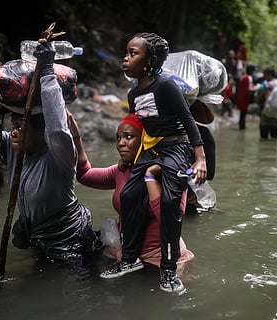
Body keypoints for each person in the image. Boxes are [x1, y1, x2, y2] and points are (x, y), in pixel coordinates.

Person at [0, 40, 103, 267]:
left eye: (21, 125)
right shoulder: (12, 148)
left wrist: (48, 72)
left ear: (42, 133)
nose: (13, 131)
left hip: (69, 241)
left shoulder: (59, 155)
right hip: (38, 236)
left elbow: (58, 127)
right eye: (13, 123)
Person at [99, 32, 207, 293]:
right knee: (129, 194)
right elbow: (139, 130)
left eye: (132, 53)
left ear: (149, 60)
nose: (125, 58)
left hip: (177, 148)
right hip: (152, 149)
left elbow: (188, 119)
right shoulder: (133, 94)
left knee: (170, 202)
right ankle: (130, 259)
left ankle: (169, 270)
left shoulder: (166, 86)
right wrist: (129, 158)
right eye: (126, 53)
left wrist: (200, 157)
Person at [67, 112, 195, 274]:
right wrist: (76, 138)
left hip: (160, 259)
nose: (121, 143)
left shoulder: (169, 171)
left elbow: (169, 221)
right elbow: (84, 175)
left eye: (128, 137)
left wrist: (150, 177)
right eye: (118, 138)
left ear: (145, 140)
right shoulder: (122, 170)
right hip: (129, 257)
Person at [254, 67, 277, 139]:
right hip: (276, 113)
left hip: (266, 113)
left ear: (269, 75)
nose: (263, 77)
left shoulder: (266, 85)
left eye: (265, 75)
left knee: (263, 137)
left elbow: (256, 99)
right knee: (274, 136)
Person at [235, 64, 256, 130]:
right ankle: (242, 128)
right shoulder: (249, 78)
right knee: (243, 114)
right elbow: (249, 89)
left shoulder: (243, 77)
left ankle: (241, 127)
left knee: (242, 114)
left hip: (240, 97)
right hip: (245, 99)